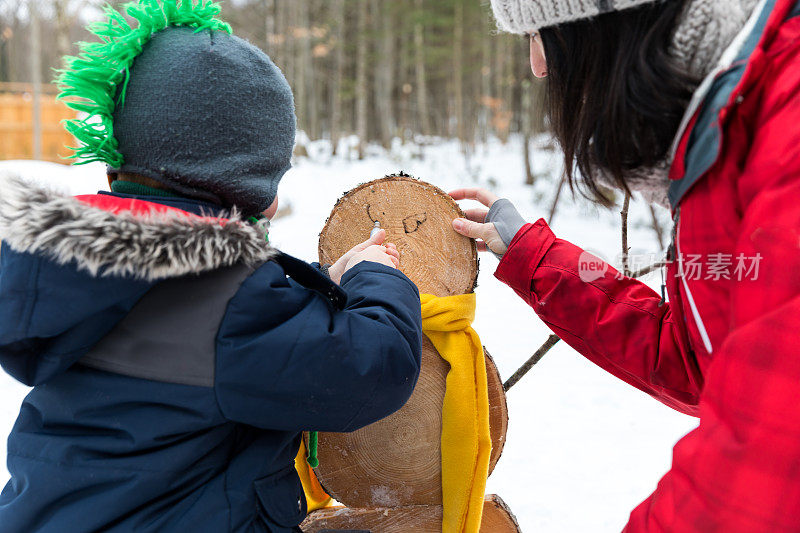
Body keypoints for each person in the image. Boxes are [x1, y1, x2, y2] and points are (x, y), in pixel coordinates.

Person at [0, 2, 422, 532]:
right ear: (245, 180)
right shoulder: (228, 298)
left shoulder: (62, 270)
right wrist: (375, 276)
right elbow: (374, 367)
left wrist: (319, 287)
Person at [451, 0, 800, 530]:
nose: (538, 66)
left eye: (539, 33)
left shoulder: (785, 122)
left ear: (610, 23)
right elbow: (692, 357)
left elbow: (765, 465)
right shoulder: (721, 145)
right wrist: (533, 255)